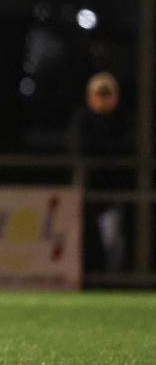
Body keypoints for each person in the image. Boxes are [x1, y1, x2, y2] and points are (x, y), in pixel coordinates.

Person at [68, 72, 132, 274]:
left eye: (107, 94)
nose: (103, 99)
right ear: (90, 96)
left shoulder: (123, 119)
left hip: (112, 191)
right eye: (99, 94)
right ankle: (81, 279)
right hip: (85, 189)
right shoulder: (82, 119)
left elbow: (128, 146)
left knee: (112, 240)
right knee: (79, 240)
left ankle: (111, 282)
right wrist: (106, 150)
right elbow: (79, 147)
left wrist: (103, 150)